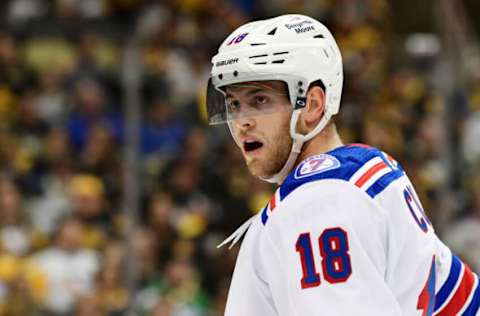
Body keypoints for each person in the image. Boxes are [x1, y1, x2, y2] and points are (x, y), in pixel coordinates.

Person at [206, 14, 480, 315]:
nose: (242, 121)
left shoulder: (317, 202)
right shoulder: (364, 171)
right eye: (234, 104)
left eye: (259, 100)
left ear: (312, 105)